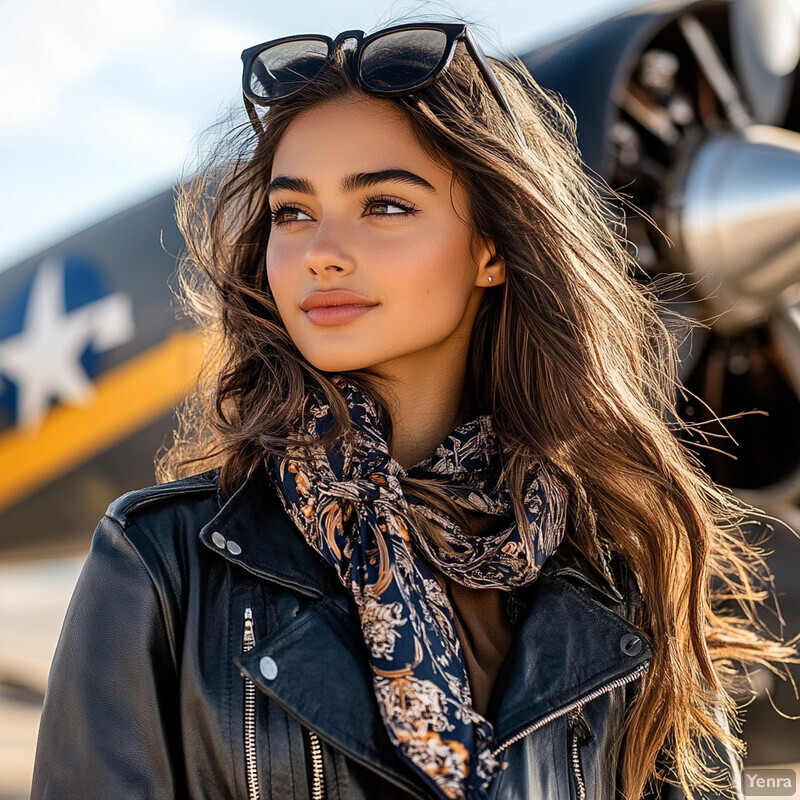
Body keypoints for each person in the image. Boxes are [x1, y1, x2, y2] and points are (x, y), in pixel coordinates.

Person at [31, 19, 798, 800]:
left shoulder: (613, 583)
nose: (320, 251)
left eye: (385, 206)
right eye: (292, 212)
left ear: (493, 248)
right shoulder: (161, 564)